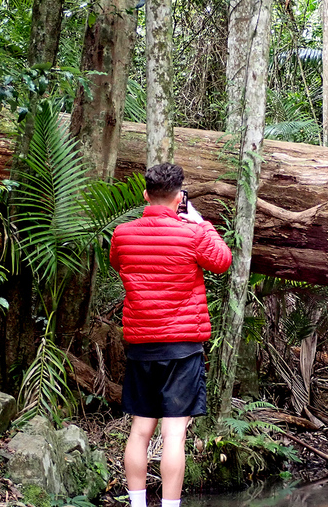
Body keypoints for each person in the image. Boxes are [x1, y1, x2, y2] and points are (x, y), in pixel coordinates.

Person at [109, 162, 232, 507]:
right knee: (174, 434)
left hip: (141, 346)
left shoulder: (123, 234)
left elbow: (118, 264)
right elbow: (222, 260)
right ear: (179, 197)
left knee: (140, 430)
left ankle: (136, 504)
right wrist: (198, 220)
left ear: (145, 195)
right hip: (182, 347)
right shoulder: (192, 233)